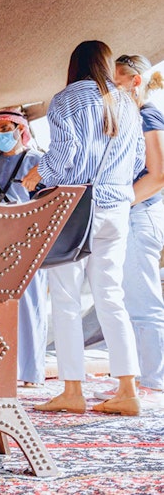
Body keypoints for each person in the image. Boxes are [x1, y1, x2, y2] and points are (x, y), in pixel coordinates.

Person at [22, 40, 143, 416]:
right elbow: (138, 158)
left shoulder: (66, 100)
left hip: (74, 208)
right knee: (111, 296)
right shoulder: (128, 102)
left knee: (66, 299)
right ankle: (127, 390)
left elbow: (65, 154)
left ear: (74, 65)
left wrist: (38, 175)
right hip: (117, 208)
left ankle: (73, 391)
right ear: (107, 64)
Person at [100, 54, 164, 409]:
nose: (113, 89)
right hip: (134, 213)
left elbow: (158, 175)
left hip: (142, 214)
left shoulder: (148, 115)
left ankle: (154, 384)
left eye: (119, 81)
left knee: (144, 302)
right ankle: (141, 381)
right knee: (131, 299)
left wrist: (120, 205)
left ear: (135, 81)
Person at [0, 110, 49, 387]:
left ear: (20, 129)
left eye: (5, 128)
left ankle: (31, 372)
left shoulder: (38, 161)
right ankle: (1, 367)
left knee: (30, 305)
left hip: (29, 236)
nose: (0, 135)